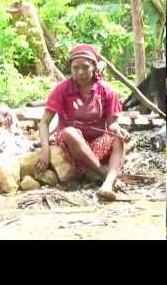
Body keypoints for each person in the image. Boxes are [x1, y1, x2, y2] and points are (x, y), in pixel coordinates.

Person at [37, 44, 129, 200]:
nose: (80, 72)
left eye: (85, 67)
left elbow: (112, 125)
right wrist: (45, 151)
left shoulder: (107, 91)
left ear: (94, 66)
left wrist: (118, 131)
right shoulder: (62, 89)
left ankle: (106, 185)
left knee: (118, 138)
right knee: (69, 132)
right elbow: (44, 122)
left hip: (97, 144)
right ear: (70, 69)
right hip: (72, 145)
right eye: (75, 68)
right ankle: (104, 173)